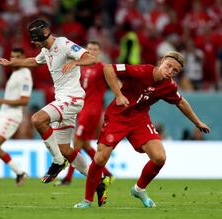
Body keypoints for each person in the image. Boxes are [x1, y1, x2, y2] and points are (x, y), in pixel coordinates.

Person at [74, 51, 210, 208]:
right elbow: (109, 68)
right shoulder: (142, 71)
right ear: (162, 62)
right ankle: (87, 200)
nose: (170, 71)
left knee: (159, 157)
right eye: (169, 66)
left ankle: (139, 189)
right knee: (100, 159)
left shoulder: (169, 86)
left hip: (139, 119)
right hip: (117, 116)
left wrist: (197, 122)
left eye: (175, 71)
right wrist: (118, 95)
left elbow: (180, 102)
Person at [0, 18, 98, 183]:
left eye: (36, 39)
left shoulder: (64, 44)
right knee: (65, 149)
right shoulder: (46, 50)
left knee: (37, 119)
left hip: (72, 98)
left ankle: (58, 162)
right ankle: (99, 181)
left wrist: (75, 62)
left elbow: (92, 59)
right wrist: (13, 63)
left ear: (45, 33)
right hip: (62, 99)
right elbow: (35, 61)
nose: (34, 43)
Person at [55, 41, 114, 189]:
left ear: (100, 52)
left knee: (76, 144)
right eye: (89, 49)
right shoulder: (82, 66)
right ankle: (107, 173)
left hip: (92, 112)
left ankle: (68, 178)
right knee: (85, 144)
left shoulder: (102, 68)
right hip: (82, 109)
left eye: (95, 49)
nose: (92, 51)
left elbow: (115, 82)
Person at [0, 48, 32, 186]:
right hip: (3, 114)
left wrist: (2, 101)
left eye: (17, 57)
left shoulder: (25, 74)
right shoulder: (14, 73)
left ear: (23, 58)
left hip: (12, 116)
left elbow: (25, 101)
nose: (14, 59)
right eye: (12, 56)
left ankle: (20, 173)